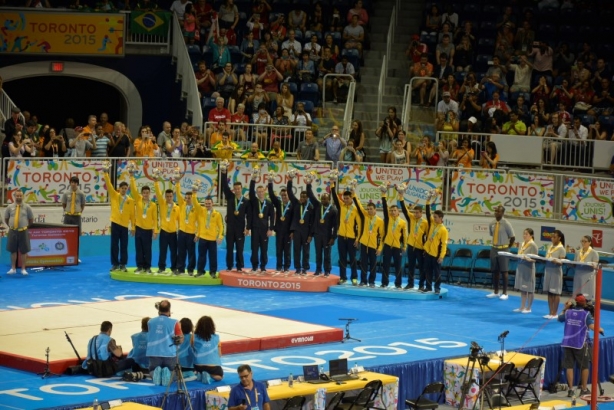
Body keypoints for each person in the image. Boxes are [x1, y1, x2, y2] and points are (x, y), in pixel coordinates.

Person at [558, 294, 604, 397]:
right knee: (584, 366)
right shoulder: (585, 314)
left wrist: (565, 308)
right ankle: (584, 389)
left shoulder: (568, 312)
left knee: (569, 366)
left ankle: (570, 390)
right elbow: (592, 326)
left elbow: (559, 318)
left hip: (567, 343)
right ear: (583, 303)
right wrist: (601, 329)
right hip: (579, 343)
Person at [103, 171, 135, 272]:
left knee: (124, 246)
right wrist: (106, 173)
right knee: (114, 245)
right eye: (122, 188)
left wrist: (133, 227)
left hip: (125, 225)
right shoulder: (114, 195)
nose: (124, 190)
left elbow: (132, 215)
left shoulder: (130, 200)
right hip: (115, 223)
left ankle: (123, 264)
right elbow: (108, 184)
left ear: (127, 189)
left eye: (126, 189)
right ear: (119, 189)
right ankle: (115, 264)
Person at [147, 300, 184, 386]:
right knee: (177, 373)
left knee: (152, 370)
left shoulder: (150, 322)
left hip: (154, 353)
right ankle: (169, 375)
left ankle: (156, 374)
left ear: (158, 310)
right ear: (169, 309)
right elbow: (181, 339)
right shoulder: (174, 322)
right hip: (169, 354)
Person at [331, 180, 360, 284]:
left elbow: (359, 226)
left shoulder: (356, 209)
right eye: (344, 198)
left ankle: (354, 278)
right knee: (342, 258)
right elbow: (334, 196)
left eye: (347, 198)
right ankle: (343, 277)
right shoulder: (341, 206)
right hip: (341, 237)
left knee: (352, 259)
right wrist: (332, 184)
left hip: (352, 238)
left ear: (351, 198)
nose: (346, 200)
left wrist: (357, 239)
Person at [306, 179, 337, 277]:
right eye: (322, 199)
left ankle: (327, 270)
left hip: (327, 235)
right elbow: (310, 196)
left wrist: (333, 237)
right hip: (317, 235)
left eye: (325, 199)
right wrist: (308, 184)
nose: (323, 200)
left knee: (327, 254)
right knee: (318, 254)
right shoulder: (317, 206)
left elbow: (336, 225)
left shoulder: (333, 210)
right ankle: (318, 270)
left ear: (329, 199)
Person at [220, 169, 249, 272]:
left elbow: (249, 216)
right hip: (230, 228)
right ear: (233, 189)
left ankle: (240, 267)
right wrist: (224, 172)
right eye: (235, 188)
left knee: (240, 249)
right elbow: (224, 185)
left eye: (238, 188)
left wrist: (248, 228)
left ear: (241, 189)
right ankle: (229, 266)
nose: (237, 190)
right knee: (229, 249)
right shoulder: (230, 197)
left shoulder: (245, 201)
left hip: (240, 229)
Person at [380, 185, 408, 289]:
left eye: (394, 210)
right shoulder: (388, 219)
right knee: (385, 266)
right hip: (387, 245)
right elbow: (384, 206)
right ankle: (384, 283)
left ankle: (398, 284)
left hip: (397, 247)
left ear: (398, 212)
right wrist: (383, 194)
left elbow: (404, 235)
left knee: (398, 266)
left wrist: (404, 246)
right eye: (391, 211)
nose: (392, 212)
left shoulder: (402, 222)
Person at [353, 195, 384, 287]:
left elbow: (381, 235)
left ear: (375, 210)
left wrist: (380, 248)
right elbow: (359, 205)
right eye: (368, 209)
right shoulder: (365, 216)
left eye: (371, 209)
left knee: (373, 265)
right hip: (364, 243)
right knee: (363, 263)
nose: (369, 210)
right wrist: (354, 194)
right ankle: (363, 281)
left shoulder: (379, 221)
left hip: (373, 246)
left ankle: (371, 282)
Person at [287, 175, 316, 275]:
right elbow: (289, 193)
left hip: (306, 232)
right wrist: (290, 181)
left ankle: (305, 268)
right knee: (296, 250)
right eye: (301, 196)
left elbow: (312, 222)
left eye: (305, 196)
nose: (302, 198)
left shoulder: (311, 207)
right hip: (297, 231)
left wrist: (310, 235)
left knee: (306, 251)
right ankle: (297, 268)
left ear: (308, 197)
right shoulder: (296, 204)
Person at [130, 176, 159, 274]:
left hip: (148, 230)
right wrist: (131, 177)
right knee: (139, 249)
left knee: (147, 250)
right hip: (138, 228)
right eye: (144, 193)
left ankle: (147, 267)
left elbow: (155, 219)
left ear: (149, 193)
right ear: (141, 193)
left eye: (147, 193)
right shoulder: (138, 200)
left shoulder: (153, 205)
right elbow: (133, 189)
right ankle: (139, 266)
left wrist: (155, 231)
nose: (146, 194)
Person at [485, 206, 515, 300]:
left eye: (498, 211)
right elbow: (492, 234)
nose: (496, 213)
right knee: (495, 271)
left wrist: (507, 247)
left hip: (504, 249)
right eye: (495, 211)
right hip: (494, 249)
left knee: (504, 271)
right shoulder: (492, 223)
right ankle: (496, 292)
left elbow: (512, 237)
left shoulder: (506, 224)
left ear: (502, 213)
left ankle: (505, 293)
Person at [399, 196, 428, 290]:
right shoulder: (411, 218)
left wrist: (425, 249)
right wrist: (401, 197)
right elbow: (404, 209)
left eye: (417, 212)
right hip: (411, 246)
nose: (415, 214)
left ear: (421, 213)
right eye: (414, 212)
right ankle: (410, 284)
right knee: (411, 266)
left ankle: (421, 285)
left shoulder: (425, 223)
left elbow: (427, 237)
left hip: (420, 248)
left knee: (421, 267)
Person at [423, 193, 448, 294]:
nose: (434, 218)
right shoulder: (432, 224)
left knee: (437, 273)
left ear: (441, 218)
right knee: (428, 271)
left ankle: (437, 288)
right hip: (428, 252)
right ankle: (428, 287)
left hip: (436, 254)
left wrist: (441, 256)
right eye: (434, 217)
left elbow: (444, 245)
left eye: (436, 217)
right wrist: (428, 200)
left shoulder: (444, 230)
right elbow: (428, 212)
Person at [248, 176, 275, 272]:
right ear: (256, 193)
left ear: (264, 192)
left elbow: (272, 217)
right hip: (255, 228)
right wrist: (253, 180)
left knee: (264, 249)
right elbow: (250, 191)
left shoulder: (269, 203)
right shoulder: (254, 201)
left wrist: (270, 229)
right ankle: (254, 266)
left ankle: (263, 266)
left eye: (261, 191)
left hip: (264, 229)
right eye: (258, 191)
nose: (260, 193)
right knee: (254, 249)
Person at [194, 196, 224, 277]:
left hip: (212, 239)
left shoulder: (217, 214)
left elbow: (221, 226)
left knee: (213, 257)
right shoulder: (201, 211)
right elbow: (195, 203)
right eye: (206, 203)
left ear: (212, 204)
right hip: (202, 238)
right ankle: (200, 271)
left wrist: (220, 237)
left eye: (209, 203)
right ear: (204, 204)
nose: (208, 205)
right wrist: (194, 194)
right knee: (201, 256)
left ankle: (213, 272)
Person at [4, 191, 33, 275]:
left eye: (20, 195)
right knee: (13, 250)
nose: (19, 197)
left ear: (23, 196)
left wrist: (25, 226)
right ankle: (13, 268)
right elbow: (6, 218)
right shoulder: (9, 207)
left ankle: (23, 269)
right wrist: (11, 226)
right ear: (14, 196)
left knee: (24, 251)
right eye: (17, 196)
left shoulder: (27, 207)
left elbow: (31, 219)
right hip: (13, 231)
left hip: (23, 231)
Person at [268, 177, 293, 274]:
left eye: (286, 195)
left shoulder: (292, 205)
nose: (284, 197)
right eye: (282, 195)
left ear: (288, 195)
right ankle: (279, 267)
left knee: (287, 250)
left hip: (288, 232)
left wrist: (292, 231)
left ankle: (286, 267)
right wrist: (270, 183)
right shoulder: (278, 204)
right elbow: (271, 195)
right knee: (279, 250)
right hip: (279, 231)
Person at [154, 181, 180, 275]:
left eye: (170, 196)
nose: (169, 198)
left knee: (174, 252)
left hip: (173, 233)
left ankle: (174, 268)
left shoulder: (177, 208)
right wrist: (156, 182)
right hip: (164, 232)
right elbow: (157, 192)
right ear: (165, 197)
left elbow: (180, 221)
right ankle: (161, 267)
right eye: (167, 196)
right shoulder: (162, 204)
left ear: (173, 196)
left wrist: (180, 231)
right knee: (163, 251)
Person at [175, 183, 199, 275]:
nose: (188, 199)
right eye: (187, 198)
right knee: (181, 251)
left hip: (191, 233)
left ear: (193, 198)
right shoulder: (182, 204)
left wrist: (197, 234)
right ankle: (180, 269)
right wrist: (177, 183)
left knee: (191, 253)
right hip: (181, 232)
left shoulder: (196, 208)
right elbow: (177, 193)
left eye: (190, 198)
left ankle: (190, 270)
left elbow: (200, 222)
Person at [192, 316, 224, 384]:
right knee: (220, 376)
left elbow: (192, 350)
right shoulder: (216, 338)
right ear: (212, 326)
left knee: (196, 370)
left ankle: (199, 373)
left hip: (198, 366)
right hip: (213, 367)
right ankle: (210, 375)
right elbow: (220, 354)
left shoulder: (194, 337)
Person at [543, 229, 567, 319]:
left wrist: (554, 260)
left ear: (559, 238)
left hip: (556, 271)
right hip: (548, 270)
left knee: (555, 293)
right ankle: (550, 312)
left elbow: (561, 262)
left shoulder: (561, 249)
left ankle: (555, 313)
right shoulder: (550, 247)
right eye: (551, 237)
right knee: (549, 292)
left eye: (554, 237)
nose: (552, 239)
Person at [573, 235, 600, 301]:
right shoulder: (578, 252)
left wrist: (592, 265)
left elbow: (596, 265)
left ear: (589, 242)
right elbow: (574, 262)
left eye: (585, 241)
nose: (583, 243)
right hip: (578, 275)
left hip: (587, 276)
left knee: (586, 296)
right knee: (577, 296)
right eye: (582, 241)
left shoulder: (594, 253)